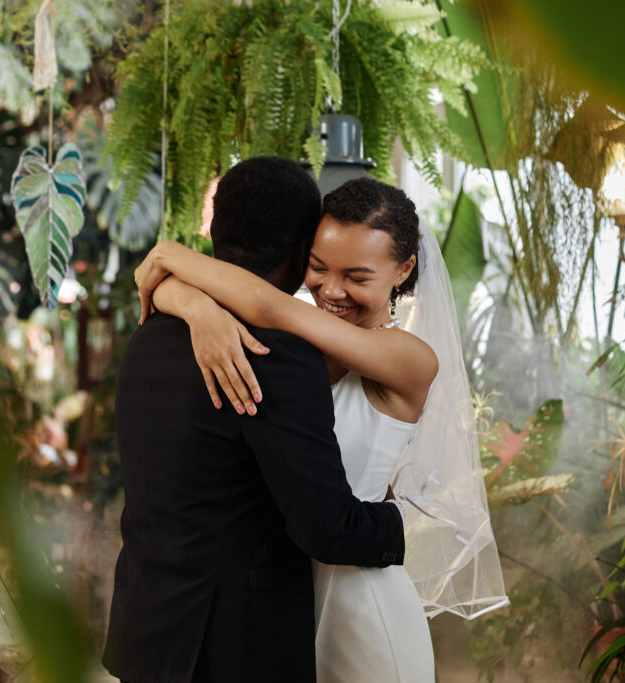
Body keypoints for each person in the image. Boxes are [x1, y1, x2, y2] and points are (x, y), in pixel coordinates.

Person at [136, 176, 508, 682]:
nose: (331, 291)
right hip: (288, 602)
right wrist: (194, 305)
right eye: (317, 267)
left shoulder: (408, 358)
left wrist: (169, 260)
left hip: (361, 599)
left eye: (357, 276)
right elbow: (259, 306)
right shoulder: (298, 347)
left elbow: (268, 304)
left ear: (403, 270)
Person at [102, 157, 408, 683]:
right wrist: (408, 524)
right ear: (297, 252)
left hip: (144, 632)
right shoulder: (279, 355)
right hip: (234, 648)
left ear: (217, 230)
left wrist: (178, 279)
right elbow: (328, 529)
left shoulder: (150, 330)